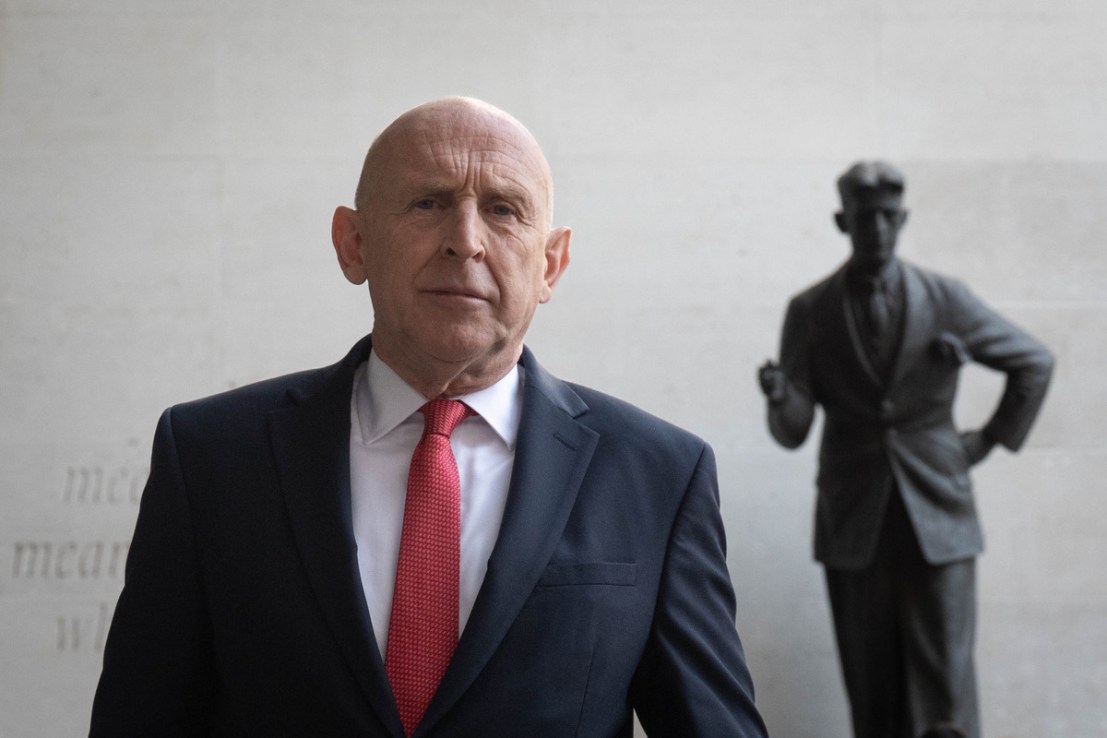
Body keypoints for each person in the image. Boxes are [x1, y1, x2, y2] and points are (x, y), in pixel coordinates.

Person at [90, 96, 769, 737]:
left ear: (550, 265)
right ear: (352, 243)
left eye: (503, 210)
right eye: (428, 202)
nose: (465, 241)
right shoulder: (211, 456)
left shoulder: (657, 476)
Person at [758, 161, 1053, 738]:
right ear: (843, 221)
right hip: (854, 518)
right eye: (866, 218)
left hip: (938, 512)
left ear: (904, 219)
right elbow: (794, 431)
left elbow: (1034, 363)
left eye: (889, 218)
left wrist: (988, 439)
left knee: (947, 687)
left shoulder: (945, 299)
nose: (879, 229)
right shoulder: (811, 310)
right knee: (872, 688)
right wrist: (780, 398)